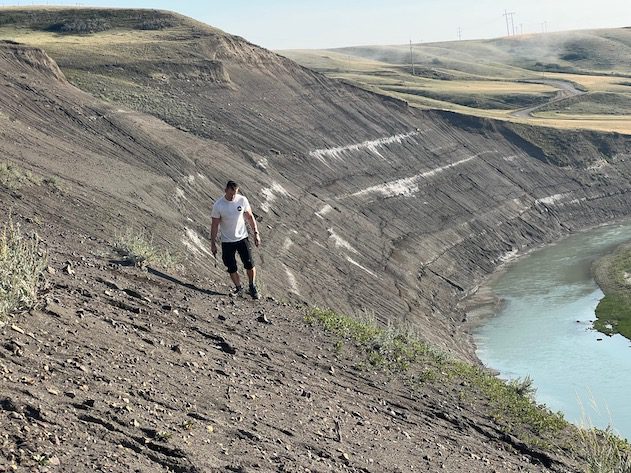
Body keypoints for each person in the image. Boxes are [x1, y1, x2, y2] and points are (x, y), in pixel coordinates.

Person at [210, 180, 261, 299]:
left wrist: (256, 233)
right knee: (231, 266)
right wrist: (213, 243)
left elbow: (249, 217)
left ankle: (252, 286)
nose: (233, 196)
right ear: (225, 190)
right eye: (231, 193)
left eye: (235, 193)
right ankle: (239, 288)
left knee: (249, 263)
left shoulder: (242, 200)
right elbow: (214, 225)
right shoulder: (218, 205)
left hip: (242, 238)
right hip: (227, 241)